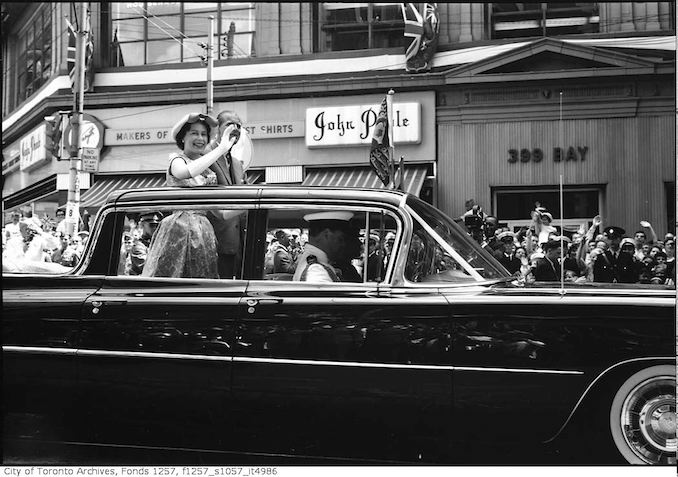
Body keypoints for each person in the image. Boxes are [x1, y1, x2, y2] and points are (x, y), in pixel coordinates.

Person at [142, 112, 238, 278]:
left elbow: (221, 214)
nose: (200, 138)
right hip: (178, 230)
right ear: (182, 138)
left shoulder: (209, 173)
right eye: (194, 133)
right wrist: (221, 149)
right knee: (172, 279)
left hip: (203, 234)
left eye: (203, 134)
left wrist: (251, 205)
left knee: (200, 282)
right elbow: (185, 173)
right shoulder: (177, 161)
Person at [204, 110, 249, 278]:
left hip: (240, 245)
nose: (235, 128)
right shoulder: (206, 156)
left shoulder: (237, 164)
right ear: (216, 130)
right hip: (214, 245)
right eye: (229, 124)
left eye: (239, 125)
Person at [293, 211, 355, 282]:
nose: (343, 244)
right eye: (340, 239)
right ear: (326, 234)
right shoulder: (316, 272)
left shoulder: (316, 263)